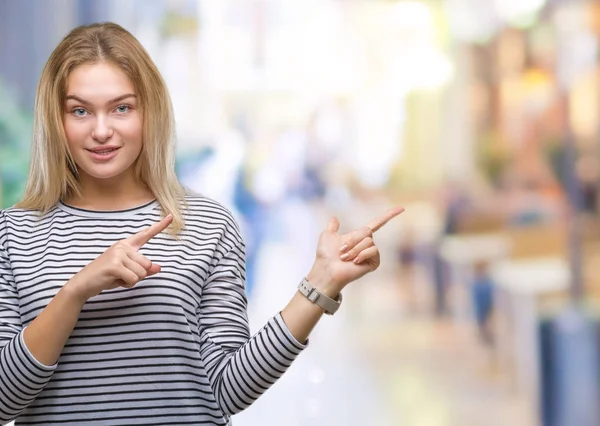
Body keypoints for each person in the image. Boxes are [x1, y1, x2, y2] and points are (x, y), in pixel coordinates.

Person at [0, 22, 403, 425]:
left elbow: (227, 389)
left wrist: (319, 286)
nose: (102, 130)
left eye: (122, 107)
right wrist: (74, 292)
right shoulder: (13, 233)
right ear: (57, 119)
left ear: (149, 111)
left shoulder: (208, 224)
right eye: (80, 110)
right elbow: (4, 400)